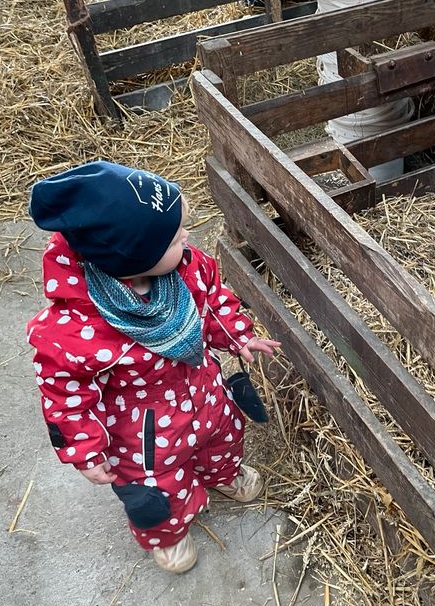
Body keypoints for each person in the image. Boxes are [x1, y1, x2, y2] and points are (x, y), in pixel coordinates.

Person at [26, 160, 280, 573]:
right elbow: (64, 397)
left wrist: (238, 335)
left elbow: (212, 299)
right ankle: (168, 533)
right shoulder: (75, 331)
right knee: (157, 485)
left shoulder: (186, 268)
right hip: (145, 429)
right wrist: (86, 451)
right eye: (174, 236)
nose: (187, 237)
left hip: (204, 389)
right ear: (132, 257)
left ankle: (223, 475)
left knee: (223, 438)